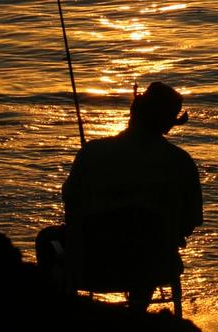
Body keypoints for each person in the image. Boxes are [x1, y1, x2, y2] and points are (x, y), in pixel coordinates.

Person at [61, 81, 203, 313]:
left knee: (48, 240)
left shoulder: (92, 153)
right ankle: (137, 313)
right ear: (168, 124)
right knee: (150, 242)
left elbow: (71, 202)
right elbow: (191, 221)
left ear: (133, 113)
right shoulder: (181, 162)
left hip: (91, 265)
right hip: (154, 266)